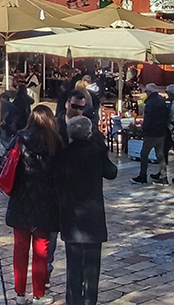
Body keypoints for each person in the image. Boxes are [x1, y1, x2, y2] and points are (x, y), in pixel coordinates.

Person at [55, 115, 118, 305]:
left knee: (73, 264)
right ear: (89, 133)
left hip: (72, 216)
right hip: (93, 216)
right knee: (92, 264)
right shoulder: (96, 151)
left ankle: (74, 299)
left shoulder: (64, 154)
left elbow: (56, 182)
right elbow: (112, 173)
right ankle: (90, 300)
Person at [6, 105, 62, 305]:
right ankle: (39, 294)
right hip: (45, 202)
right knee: (42, 251)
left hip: (21, 199)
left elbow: (4, 165)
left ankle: (19, 294)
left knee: (20, 250)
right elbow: (60, 175)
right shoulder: (55, 142)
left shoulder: (19, 139)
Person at [132, 84, 169, 184]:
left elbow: (147, 120)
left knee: (144, 154)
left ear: (149, 92)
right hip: (161, 133)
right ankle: (163, 176)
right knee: (160, 155)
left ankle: (142, 176)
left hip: (151, 133)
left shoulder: (150, 103)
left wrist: (143, 129)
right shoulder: (162, 101)